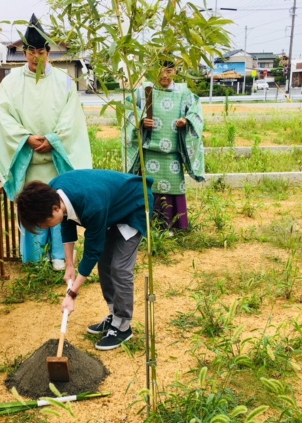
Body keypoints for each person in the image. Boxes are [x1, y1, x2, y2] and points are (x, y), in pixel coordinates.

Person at [0, 14, 92, 271]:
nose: (36, 56)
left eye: (41, 50)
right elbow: (5, 117)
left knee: (59, 204)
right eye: (30, 51)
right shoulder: (10, 83)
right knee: (33, 204)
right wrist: (25, 138)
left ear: (48, 51)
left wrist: (54, 139)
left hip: (57, 160)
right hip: (28, 161)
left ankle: (61, 256)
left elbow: (72, 117)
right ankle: (35, 258)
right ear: (24, 52)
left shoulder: (65, 81)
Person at [15, 170, 153, 351]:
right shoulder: (55, 192)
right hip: (112, 207)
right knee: (105, 263)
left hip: (135, 205)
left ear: (55, 208)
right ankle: (115, 315)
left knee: (119, 268)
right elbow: (67, 223)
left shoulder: (92, 205)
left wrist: (72, 294)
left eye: (44, 223)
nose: (45, 227)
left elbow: (92, 251)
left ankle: (123, 327)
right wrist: (69, 266)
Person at [125, 60, 204, 231]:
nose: (165, 75)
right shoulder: (144, 91)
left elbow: (196, 112)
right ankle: (148, 226)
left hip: (173, 154)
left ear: (175, 71)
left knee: (174, 188)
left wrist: (187, 120)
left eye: (169, 71)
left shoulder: (183, 92)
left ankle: (177, 226)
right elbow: (128, 109)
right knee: (148, 189)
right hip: (149, 152)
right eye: (161, 71)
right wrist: (140, 121)